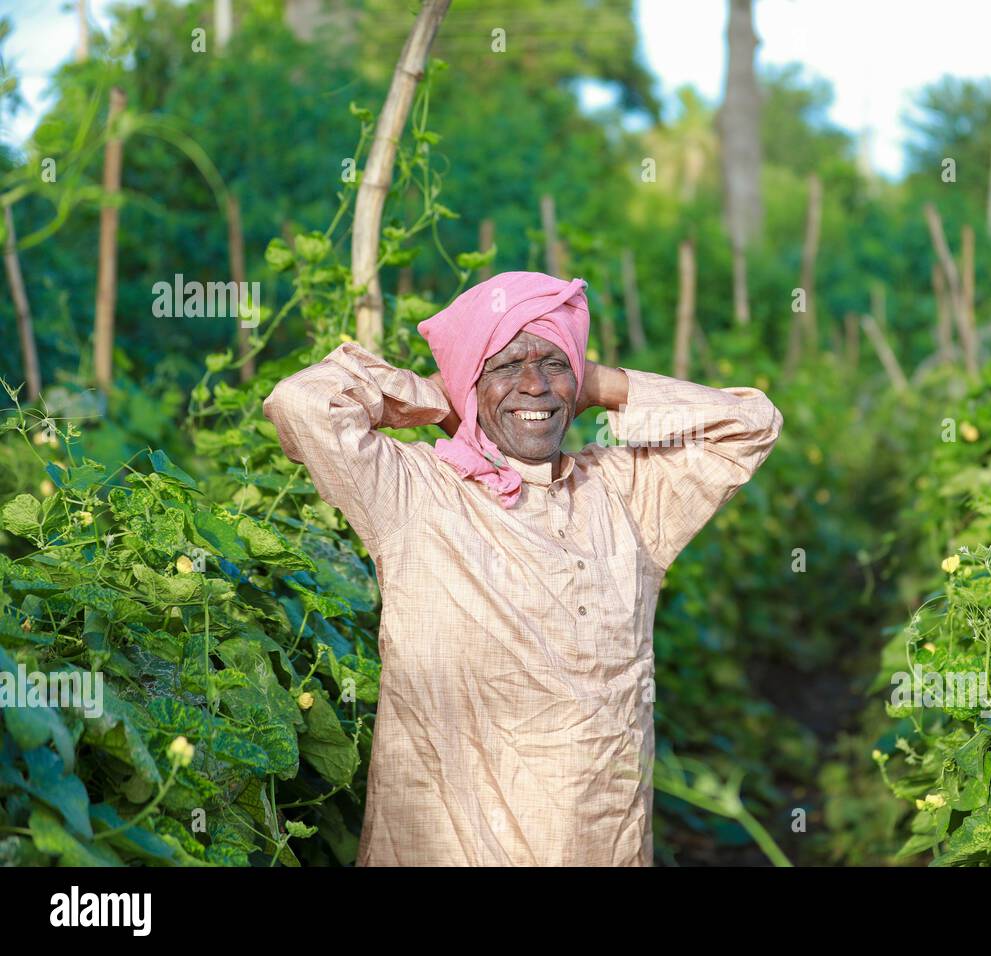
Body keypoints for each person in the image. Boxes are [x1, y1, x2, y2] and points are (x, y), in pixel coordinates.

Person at [262, 271, 783, 865]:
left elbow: (751, 426)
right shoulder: (413, 493)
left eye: (554, 363)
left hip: (592, 840)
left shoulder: (628, 495)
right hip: (445, 845)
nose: (535, 385)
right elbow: (303, 403)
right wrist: (440, 392)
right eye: (505, 365)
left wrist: (600, 383)